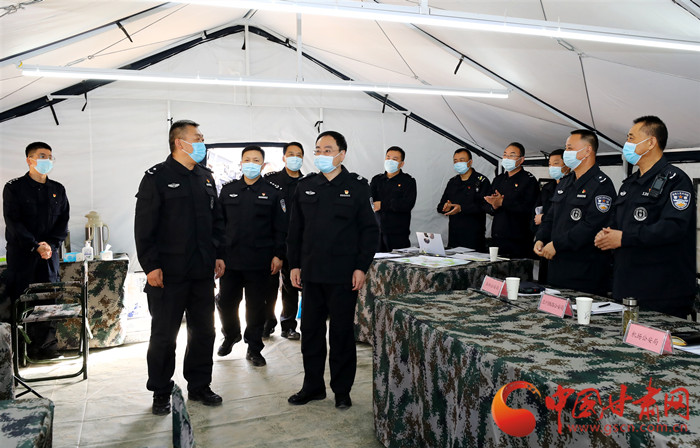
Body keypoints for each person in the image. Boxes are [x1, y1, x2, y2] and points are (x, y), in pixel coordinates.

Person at [134, 120, 225, 416]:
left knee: (204, 332)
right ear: (179, 142)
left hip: (201, 272)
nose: (202, 142)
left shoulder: (206, 177)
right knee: (164, 335)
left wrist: (218, 254)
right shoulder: (156, 177)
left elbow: (217, 222)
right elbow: (144, 226)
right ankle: (161, 390)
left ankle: (199, 385)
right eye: (197, 137)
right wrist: (151, 266)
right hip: (168, 274)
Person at [286, 131, 378, 410]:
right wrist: (294, 264)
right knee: (311, 332)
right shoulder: (305, 186)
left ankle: (342, 390)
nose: (321, 154)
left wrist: (361, 267)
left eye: (328, 150)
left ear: (341, 154)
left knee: (341, 334)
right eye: (318, 150)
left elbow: (369, 231)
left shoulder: (357, 186)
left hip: (343, 275)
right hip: (311, 273)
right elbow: (295, 230)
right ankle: (313, 387)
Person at [595, 116, 696, 318]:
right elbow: (617, 222)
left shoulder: (675, 181)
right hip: (627, 287)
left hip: (661, 292)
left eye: (631, 138)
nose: (626, 144)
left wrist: (624, 238)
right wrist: (606, 235)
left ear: (651, 142)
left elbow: (673, 228)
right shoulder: (630, 183)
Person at [216, 146, 287, 366]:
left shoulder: (273, 192)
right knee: (226, 302)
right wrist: (218, 255)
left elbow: (281, 227)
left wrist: (279, 255)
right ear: (240, 163)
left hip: (260, 260)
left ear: (263, 165)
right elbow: (218, 225)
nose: (251, 163)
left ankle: (254, 347)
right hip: (231, 260)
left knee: (256, 307)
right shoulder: (228, 190)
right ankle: (231, 334)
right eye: (247, 159)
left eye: (256, 160)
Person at [3, 142, 69, 360]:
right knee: (23, 300)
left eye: (50, 157)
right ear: (29, 160)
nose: (47, 160)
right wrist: (35, 245)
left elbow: (63, 223)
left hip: (48, 255)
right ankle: (22, 351)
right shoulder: (14, 188)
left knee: (49, 299)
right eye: (42, 156)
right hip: (23, 255)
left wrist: (50, 245)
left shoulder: (57, 189)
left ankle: (47, 348)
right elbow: (13, 222)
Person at [534, 131, 616, 295]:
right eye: (566, 148)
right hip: (557, 267)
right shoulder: (565, 182)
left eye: (570, 148)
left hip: (584, 271)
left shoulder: (602, 185)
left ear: (587, 151)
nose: (566, 153)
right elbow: (551, 217)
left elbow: (591, 226)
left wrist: (557, 244)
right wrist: (541, 238)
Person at [262, 142, 304, 340]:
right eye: (291, 154)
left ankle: (288, 326)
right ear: (284, 157)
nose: (295, 158)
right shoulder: (271, 180)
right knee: (268, 285)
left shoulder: (307, 183)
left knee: (291, 286)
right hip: (272, 242)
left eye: (299, 155)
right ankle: (266, 323)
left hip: (296, 243)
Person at [485, 142, 540, 258]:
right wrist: (494, 206)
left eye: (512, 155)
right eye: (505, 155)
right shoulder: (498, 179)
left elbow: (529, 208)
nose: (507, 158)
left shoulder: (529, 180)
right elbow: (487, 205)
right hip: (498, 237)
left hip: (519, 240)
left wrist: (503, 202)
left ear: (521, 160)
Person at [437, 148, 491, 251]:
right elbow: (440, 206)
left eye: (461, 160)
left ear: (470, 162)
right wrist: (445, 207)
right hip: (454, 236)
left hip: (473, 236)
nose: (458, 163)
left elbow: (485, 206)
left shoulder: (481, 181)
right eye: (455, 161)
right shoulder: (452, 182)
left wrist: (462, 208)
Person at [532, 149, 570, 283]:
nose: (552, 167)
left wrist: (543, 218)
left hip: (562, 244)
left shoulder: (571, 187)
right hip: (545, 240)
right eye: (550, 164)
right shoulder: (547, 188)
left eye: (556, 163)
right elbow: (536, 211)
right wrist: (539, 237)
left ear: (567, 165)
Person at [370, 146, 417, 251]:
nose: (390, 161)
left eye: (395, 159)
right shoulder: (377, 179)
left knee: (398, 260)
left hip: (398, 234)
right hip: (377, 233)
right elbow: (369, 199)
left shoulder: (408, 181)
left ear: (401, 163)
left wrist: (382, 205)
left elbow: (407, 204)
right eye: (388, 157)